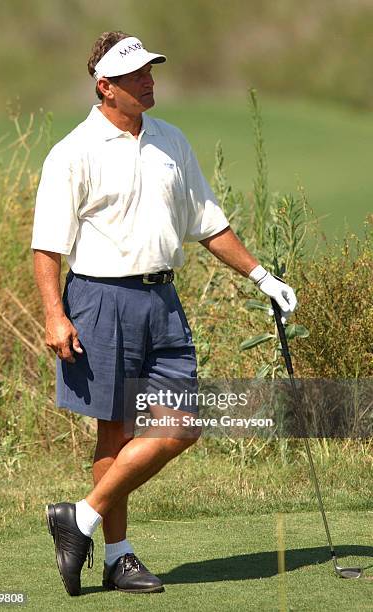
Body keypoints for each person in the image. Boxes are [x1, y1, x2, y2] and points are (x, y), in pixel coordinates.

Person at [31, 31, 297, 597]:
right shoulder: (73, 151)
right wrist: (55, 316)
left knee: (182, 424)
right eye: (134, 77)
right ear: (105, 87)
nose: (148, 81)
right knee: (116, 432)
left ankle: (77, 517)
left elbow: (209, 223)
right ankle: (118, 558)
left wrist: (262, 276)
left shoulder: (171, 141)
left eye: (150, 71)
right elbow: (47, 247)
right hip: (100, 300)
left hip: (162, 301)